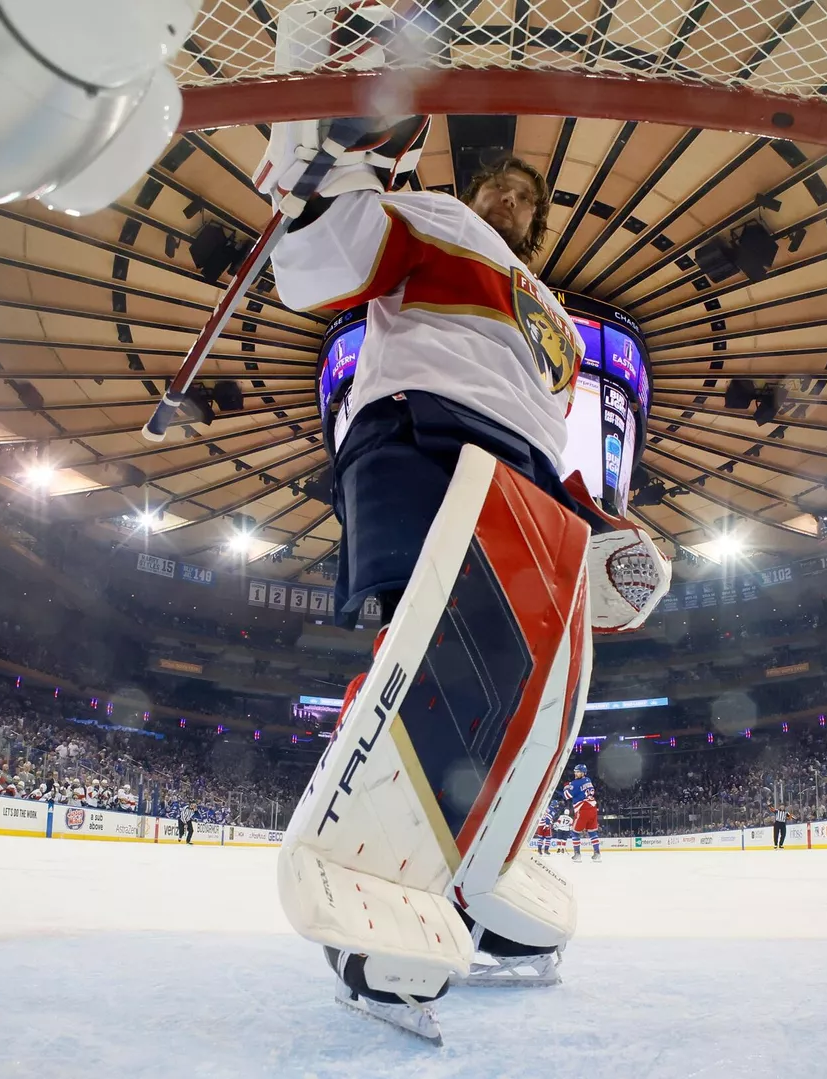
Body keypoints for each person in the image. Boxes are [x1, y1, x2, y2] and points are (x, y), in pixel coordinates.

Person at [261, 60, 667, 1039]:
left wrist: (594, 515)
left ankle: (474, 883)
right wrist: (319, 173)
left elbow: (549, 422)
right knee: (438, 653)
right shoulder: (439, 218)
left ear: (542, 216)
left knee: (533, 687)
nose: (513, 200)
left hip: (528, 476)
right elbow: (320, 263)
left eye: (529, 196)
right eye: (504, 188)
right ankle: (383, 892)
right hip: (424, 430)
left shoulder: (561, 327)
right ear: (481, 191)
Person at [562, 764, 600, 862]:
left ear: (583, 772)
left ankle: (577, 854)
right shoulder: (588, 780)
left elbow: (567, 796)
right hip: (593, 808)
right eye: (575, 771)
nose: (576, 773)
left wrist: (566, 786)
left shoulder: (575, 783)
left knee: (575, 833)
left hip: (583, 810)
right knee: (592, 832)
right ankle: (597, 853)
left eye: (578, 771)